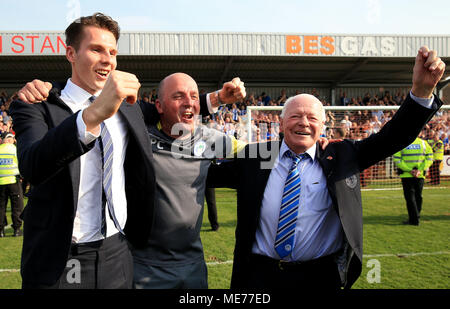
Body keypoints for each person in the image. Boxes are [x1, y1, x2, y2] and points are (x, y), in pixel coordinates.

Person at [11, 13, 244, 289]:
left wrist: (218, 98)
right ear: (71, 53)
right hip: (60, 256)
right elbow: (32, 165)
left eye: (112, 52)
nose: (107, 59)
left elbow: (171, 108)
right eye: (96, 49)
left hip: (117, 250)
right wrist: (93, 114)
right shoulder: (36, 105)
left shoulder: (128, 107)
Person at [206, 46, 445, 289]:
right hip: (258, 277)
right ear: (280, 123)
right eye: (295, 116)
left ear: (323, 126)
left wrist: (421, 92)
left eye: (312, 118)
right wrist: (210, 103)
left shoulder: (342, 155)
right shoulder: (258, 155)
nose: (303, 123)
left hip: (319, 278)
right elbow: (199, 172)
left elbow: (392, 138)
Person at [394, 137, 433, 225]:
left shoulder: (402, 142)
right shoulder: (423, 143)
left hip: (407, 175)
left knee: (410, 198)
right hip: (419, 175)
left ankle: (414, 219)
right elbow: (430, 158)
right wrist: (419, 170)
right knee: (418, 196)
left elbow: (397, 159)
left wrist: (409, 170)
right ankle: (416, 216)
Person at [0, 132, 24, 237]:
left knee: (1, 207)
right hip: (14, 180)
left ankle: (1, 231)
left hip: (1, 182)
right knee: (17, 207)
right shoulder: (15, 149)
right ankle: (17, 230)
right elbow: (21, 163)